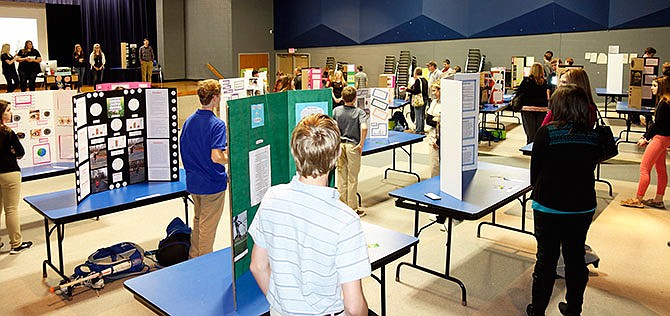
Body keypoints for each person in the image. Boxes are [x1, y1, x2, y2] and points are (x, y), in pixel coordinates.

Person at [249, 113, 370, 316]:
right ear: (337, 154)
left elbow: (258, 266)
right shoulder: (346, 221)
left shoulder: (271, 198)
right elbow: (353, 307)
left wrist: (282, 305)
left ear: (294, 152)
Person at [526, 84, 603, 316]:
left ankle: (537, 309)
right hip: (581, 206)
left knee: (546, 260)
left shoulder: (546, 133)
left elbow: (534, 173)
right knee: (575, 258)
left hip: (548, 206)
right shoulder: (593, 136)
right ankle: (574, 309)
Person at [179, 79, 229, 258]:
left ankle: (194, 258)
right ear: (215, 98)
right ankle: (205, 266)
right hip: (212, 185)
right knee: (208, 228)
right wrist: (229, 157)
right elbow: (216, 156)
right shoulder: (217, 125)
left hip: (194, 183)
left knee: (198, 222)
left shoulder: (189, 121)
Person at [620, 76, 670, 209]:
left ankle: (638, 198)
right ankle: (658, 199)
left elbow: (657, 125)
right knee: (661, 169)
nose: (651, 88)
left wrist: (645, 137)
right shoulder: (666, 102)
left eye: (654, 85)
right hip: (666, 139)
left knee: (644, 168)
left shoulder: (663, 103)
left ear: (661, 87)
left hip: (659, 139)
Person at [0, 100, 33, 254]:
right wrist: (12, 151)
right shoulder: (8, 132)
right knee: (11, 209)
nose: (10, 112)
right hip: (10, 173)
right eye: (8, 110)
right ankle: (16, 244)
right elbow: (20, 152)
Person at [334, 86, 368, 217]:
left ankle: (342, 206)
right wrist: (361, 144)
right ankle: (352, 208)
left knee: (341, 175)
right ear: (355, 99)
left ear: (342, 97)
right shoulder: (359, 112)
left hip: (340, 146)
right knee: (352, 178)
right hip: (352, 146)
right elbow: (364, 127)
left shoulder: (336, 111)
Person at [518, 63, 550, 144]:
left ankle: (529, 149)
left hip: (527, 108)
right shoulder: (544, 83)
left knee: (530, 133)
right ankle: (538, 150)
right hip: (542, 109)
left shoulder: (526, 81)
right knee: (539, 132)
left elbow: (519, 93)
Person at [405, 67, 429, 134]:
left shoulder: (418, 80)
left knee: (418, 115)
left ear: (415, 73)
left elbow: (416, 91)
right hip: (425, 99)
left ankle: (418, 130)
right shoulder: (425, 80)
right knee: (422, 115)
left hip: (419, 100)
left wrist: (407, 89)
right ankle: (421, 129)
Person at [426, 82, 442, 177]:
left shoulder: (449, 103)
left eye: (435, 91)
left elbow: (447, 124)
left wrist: (439, 142)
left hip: (443, 137)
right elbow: (428, 120)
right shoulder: (434, 102)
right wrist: (437, 122)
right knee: (434, 164)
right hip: (432, 135)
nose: (433, 93)